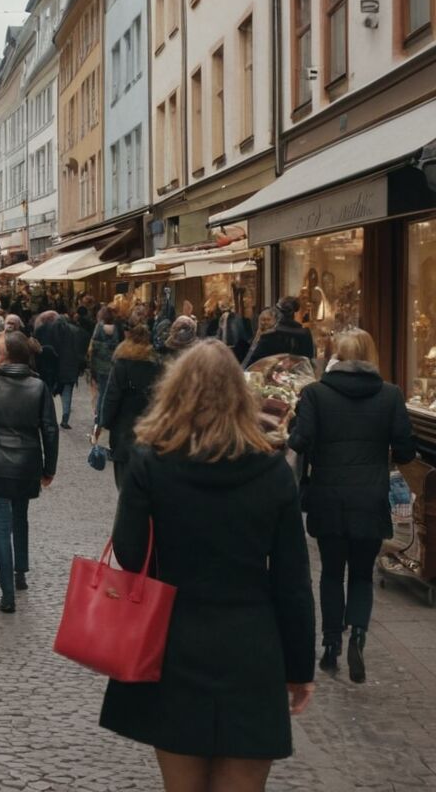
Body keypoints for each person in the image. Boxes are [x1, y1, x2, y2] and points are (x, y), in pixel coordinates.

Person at [99, 340, 315, 792]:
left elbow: (130, 554)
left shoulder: (149, 463)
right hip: (251, 647)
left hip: (173, 642)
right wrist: (299, 669)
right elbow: (293, 580)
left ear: (174, 392)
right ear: (242, 396)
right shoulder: (273, 472)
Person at [288, 329, 415, 683]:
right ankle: (357, 633)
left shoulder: (315, 393)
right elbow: (405, 450)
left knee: (331, 572)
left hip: (329, 496)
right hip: (370, 497)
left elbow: (300, 440)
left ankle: (331, 646)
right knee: (361, 574)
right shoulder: (390, 395)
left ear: (337, 357)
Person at [0, 331, 58, 613]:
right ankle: (20, 573)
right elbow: (50, 430)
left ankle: (7, 595)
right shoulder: (39, 386)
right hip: (27, 462)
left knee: (1, 528)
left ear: (0, 357)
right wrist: (48, 467)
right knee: (21, 517)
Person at [95, 324, 162, 491]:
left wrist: (104, 422)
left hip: (123, 429)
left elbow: (111, 397)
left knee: (123, 483)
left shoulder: (121, 365)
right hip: (148, 429)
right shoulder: (156, 366)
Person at [244, 296, 315, 366]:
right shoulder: (305, 334)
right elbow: (310, 362)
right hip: (302, 375)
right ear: (295, 313)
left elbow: (250, 363)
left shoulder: (269, 335)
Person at [47, 311, 85, 429]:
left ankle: (52, 416)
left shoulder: (50, 330)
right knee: (67, 392)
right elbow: (80, 350)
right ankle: (64, 418)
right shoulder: (76, 331)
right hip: (70, 367)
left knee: (52, 392)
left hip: (55, 367)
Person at [88, 306, 122, 424]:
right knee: (107, 392)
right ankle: (105, 415)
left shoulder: (99, 327)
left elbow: (93, 348)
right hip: (112, 365)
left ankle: (99, 417)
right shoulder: (116, 329)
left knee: (101, 392)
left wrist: (91, 366)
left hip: (99, 366)